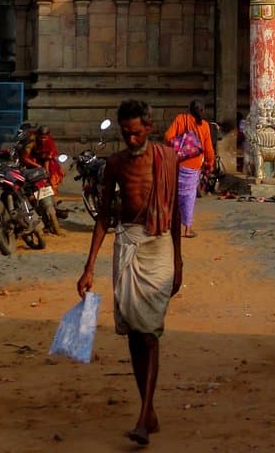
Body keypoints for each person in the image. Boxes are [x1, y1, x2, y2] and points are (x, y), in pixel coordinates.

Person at [77, 99, 181, 446]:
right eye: (126, 134)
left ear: (148, 128)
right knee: (136, 334)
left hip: (159, 244)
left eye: (136, 133)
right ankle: (147, 411)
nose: (131, 140)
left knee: (149, 332)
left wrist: (179, 261)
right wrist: (89, 267)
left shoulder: (167, 159)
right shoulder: (115, 165)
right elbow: (103, 216)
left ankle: (143, 416)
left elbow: (175, 210)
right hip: (128, 243)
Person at [163, 100, 214, 238]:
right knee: (189, 196)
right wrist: (209, 164)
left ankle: (169, 224)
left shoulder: (181, 119)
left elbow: (168, 136)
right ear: (202, 111)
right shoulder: (204, 126)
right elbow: (209, 149)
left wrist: (177, 145)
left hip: (177, 162)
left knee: (174, 195)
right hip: (194, 165)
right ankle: (188, 228)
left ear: (189, 109)